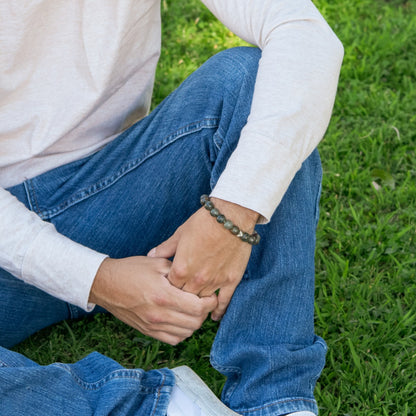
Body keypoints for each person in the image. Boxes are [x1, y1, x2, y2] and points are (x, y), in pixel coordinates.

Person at [0, 0, 343, 415]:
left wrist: (233, 213)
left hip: (109, 189)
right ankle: (168, 408)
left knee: (251, 81)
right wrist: (98, 279)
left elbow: (302, 31)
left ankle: (276, 399)